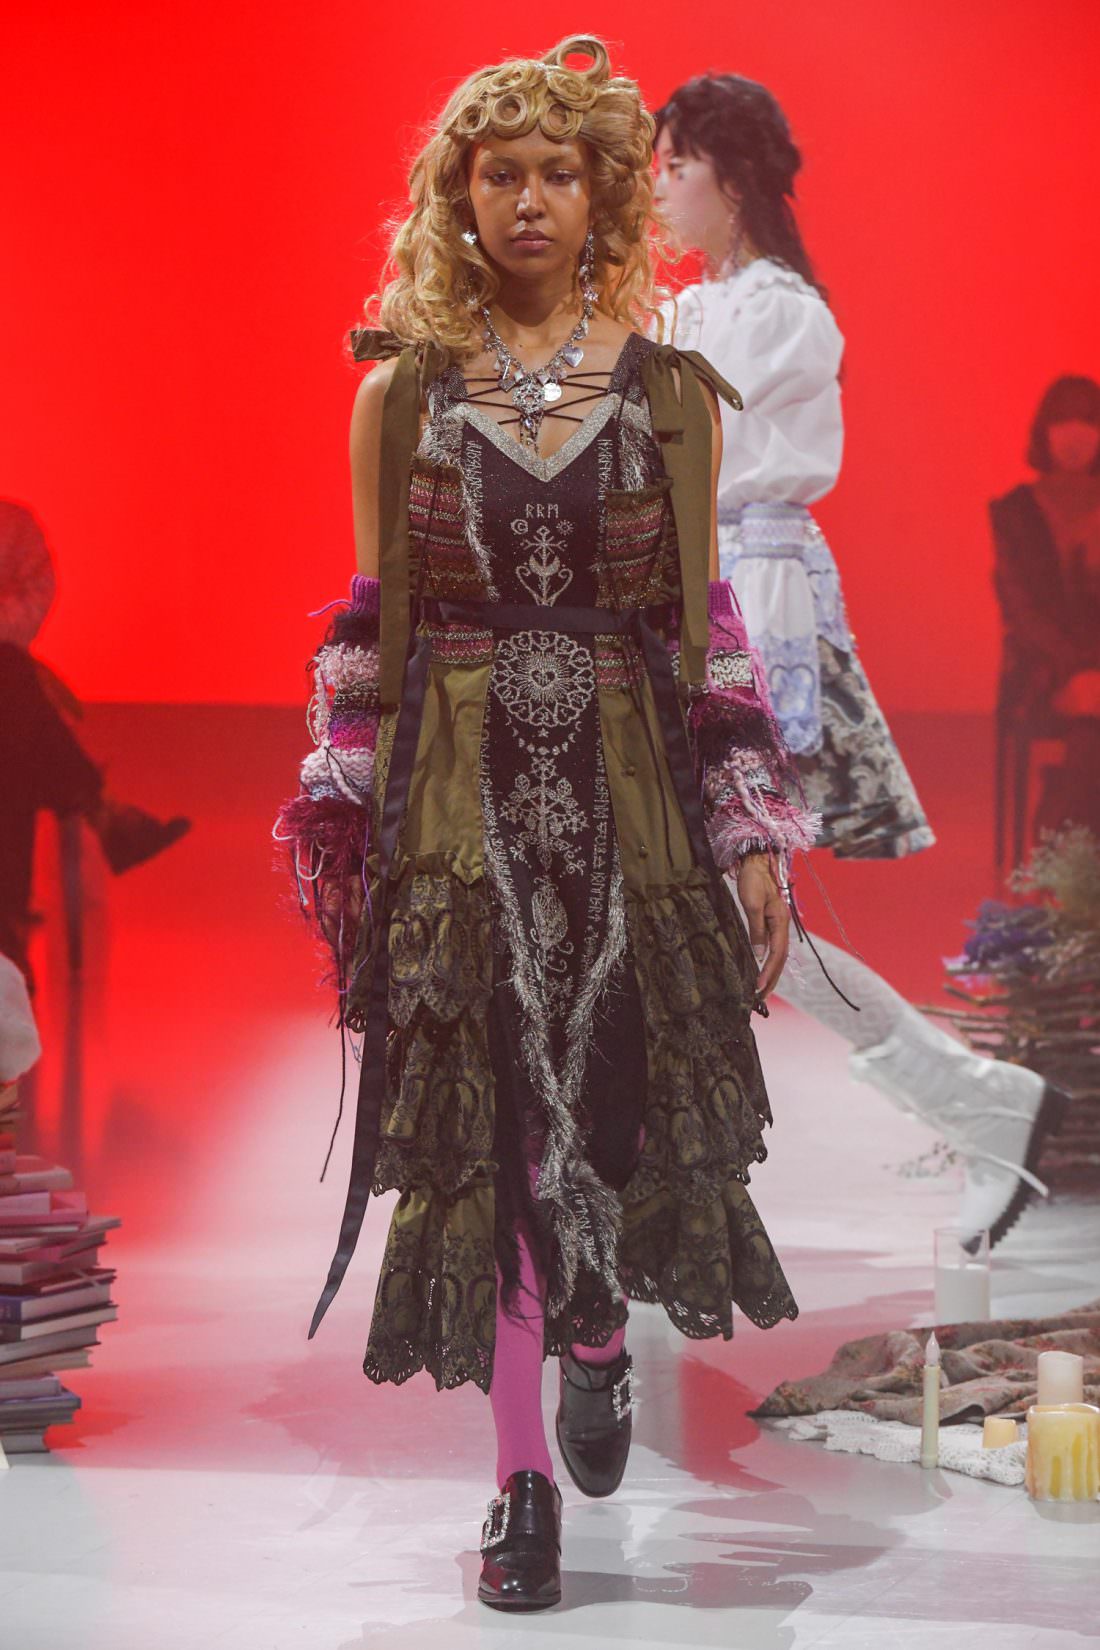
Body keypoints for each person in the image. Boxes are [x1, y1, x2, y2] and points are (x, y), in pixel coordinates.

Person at [274, 36, 817, 1612]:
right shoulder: (401, 393)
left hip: (627, 798)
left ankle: (595, 1334)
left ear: (602, 194)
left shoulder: (671, 396)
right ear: (459, 198)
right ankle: (519, 1481)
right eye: (497, 173)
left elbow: (704, 623)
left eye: (556, 172)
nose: (526, 199)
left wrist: (750, 828)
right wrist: (345, 823)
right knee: (503, 1140)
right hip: (461, 808)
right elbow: (370, 624)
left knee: (619, 1116)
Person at [652, 73, 1067, 1250]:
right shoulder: (695, 307)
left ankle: (970, 1103)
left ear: (732, 180)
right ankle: (973, 1102)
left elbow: (695, 454)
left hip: (749, 605)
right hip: (687, 595)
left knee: (732, 909)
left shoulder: (779, 312)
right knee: (712, 911)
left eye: (675, 164)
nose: (657, 188)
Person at [0, 500, 192, 986]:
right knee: (15, 703)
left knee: (11, 749)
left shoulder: (13, 525)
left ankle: (9, 929)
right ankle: (104, 813)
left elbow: (35, 595)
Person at [990, 375, 1100, 838]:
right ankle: (1066, 834)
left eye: (1088, 421)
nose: (1075, 434)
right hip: (1043, 670)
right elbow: (1022, 612)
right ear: (1044, 432)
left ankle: (1059, 818)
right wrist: (1077, 670)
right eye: (1062, 420)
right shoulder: (1015, 512)